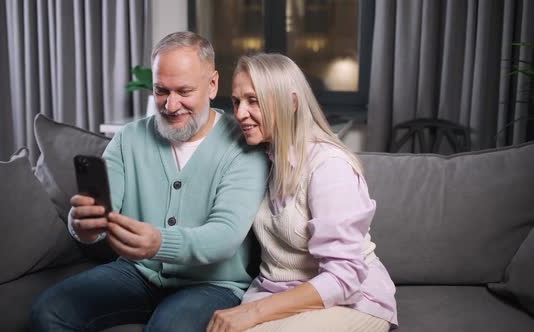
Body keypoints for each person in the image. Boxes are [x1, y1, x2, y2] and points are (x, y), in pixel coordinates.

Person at [30, 31, 269, 332]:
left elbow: (224, 236)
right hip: (135, 273)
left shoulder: (245, 148)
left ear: (212, 85)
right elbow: (103, 220)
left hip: (212, 284)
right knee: (48, 310)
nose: (170, 105)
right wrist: (83, 226)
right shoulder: (128, 138)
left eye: (184, 91)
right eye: (161, 91)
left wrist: (159, 243)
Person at [207, 53, 398, 332]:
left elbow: (343, 278)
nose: (240, 113)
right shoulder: (258, 157)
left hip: (348, 300)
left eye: (253, 100)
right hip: (275, 292)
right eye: (236, 101)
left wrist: (254, 312)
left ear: (292, 103)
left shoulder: (329, 166)